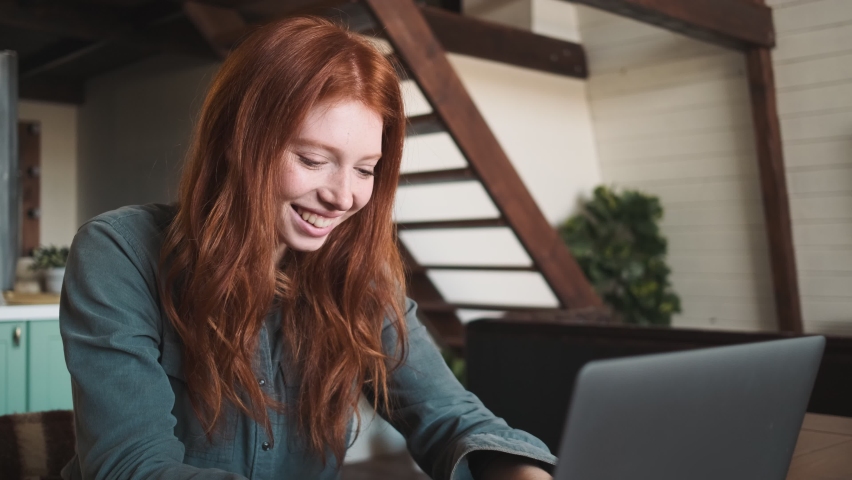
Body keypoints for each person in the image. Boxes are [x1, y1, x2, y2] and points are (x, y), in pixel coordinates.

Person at [59, 16, 556, 480]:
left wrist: (521, 472)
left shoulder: (360, 278)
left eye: (365, 169)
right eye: (314, 159)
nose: (344, 197)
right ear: (239, 140)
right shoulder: (118, 253)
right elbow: (133, 466)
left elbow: (450, 416)